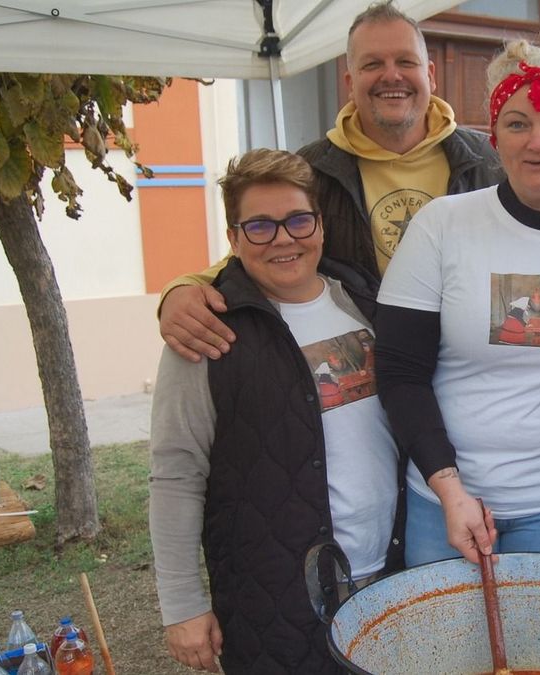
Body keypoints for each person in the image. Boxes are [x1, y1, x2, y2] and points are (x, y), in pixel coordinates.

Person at [374, 40, 540, 567]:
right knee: (450, 650)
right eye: (518, 124)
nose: (537, 142)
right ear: (495, 136)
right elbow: (400, 372)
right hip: (450, 503)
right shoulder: (441, 225)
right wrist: (450, 490)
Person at [148, 149, 403, 674]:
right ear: (234, 238)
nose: (284, 239)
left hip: (392, 570)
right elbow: (176, 474)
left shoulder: (365, 301)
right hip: (277, 595)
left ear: (320, 226)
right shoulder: (207, 332)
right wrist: (183, 606)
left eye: (297, 220)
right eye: (260, 226)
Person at [157, 0, 503, 363]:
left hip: (471, 368)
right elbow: (259, 247)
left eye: (405, 61)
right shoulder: (312, 169)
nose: (391, 75)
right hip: (374, 371)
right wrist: (183, 289)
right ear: (351, 82)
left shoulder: (490, 160)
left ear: (430, 74)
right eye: (372, 64)